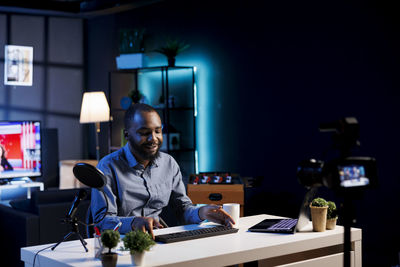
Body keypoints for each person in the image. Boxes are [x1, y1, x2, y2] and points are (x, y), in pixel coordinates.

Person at [91, 103, 234, 238]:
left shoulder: (169, 163)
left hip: (159, 238)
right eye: (144, 132)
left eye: (157, 131)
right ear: (126, 135)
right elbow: (102, 221)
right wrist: (133, 223)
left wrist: (201, 212)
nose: (153, 138)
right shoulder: (107, 167)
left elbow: (182, 208)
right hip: (123, 243)